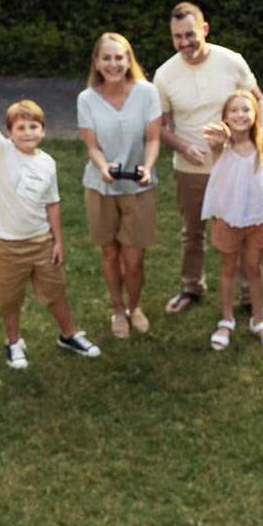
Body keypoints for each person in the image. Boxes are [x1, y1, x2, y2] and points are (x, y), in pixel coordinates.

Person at [153, 1, 263, 315]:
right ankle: (191, 287)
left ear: (204, 29)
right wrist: (183, 147)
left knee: (243, 227)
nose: (184, 42)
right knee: (192, 231)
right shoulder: (165, 75)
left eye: (190, 34)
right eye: (177, 37)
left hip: (237, 165)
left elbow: (259, 100)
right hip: (191, 168)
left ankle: (248, 296)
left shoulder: (231, 61)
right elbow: (159, 127)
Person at [0, 71, 101, 370]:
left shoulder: (47, 163)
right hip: (5, 245)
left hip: (41, 242)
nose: (28, 132)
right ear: (9, 133)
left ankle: (69, 335)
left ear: (43, 131)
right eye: (21, 127)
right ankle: (13, 342)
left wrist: (58, 241)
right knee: (9, 298)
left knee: (56, 291)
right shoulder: (0, 152)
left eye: (34, 126)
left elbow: (52, 203)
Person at [77, 32, 162, 338]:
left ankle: (134, 306)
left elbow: (153, 139)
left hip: (138, 188)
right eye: (107, 58)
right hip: (101, 188)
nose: (113, 64)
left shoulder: (147, 93)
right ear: (97, 62)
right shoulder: (86, 99)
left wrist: (147, 167)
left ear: (129, 60)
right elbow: (91, 146)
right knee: (110, 254)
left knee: (134, 259)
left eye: (119, 57)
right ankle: (117, 309)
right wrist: (103, 167)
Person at [201, 90, 263, 351]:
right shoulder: (222, 146)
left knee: (254, 268)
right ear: (226, 116)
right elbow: (215, 143)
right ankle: (226, 320)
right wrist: (219, 139)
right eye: (234, 110)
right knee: (228, 268)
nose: (240, 115)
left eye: (246, 109)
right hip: (227, 218)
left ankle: (258, 320)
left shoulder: (261, 146)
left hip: (258, 218)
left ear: (255, 114)